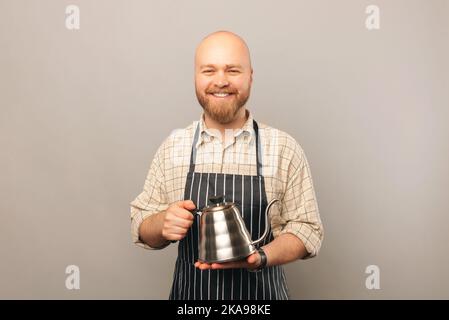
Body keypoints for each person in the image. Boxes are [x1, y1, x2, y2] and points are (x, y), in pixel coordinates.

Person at [130, 31, 323, 300]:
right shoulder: (174, 148)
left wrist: (262, 256)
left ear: (250, 76)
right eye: (209, 70)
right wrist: (162, 223)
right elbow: (141, 224)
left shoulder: (283, 148)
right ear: (196, 77)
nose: (220, 81)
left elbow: (308, 229)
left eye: (232, 70)